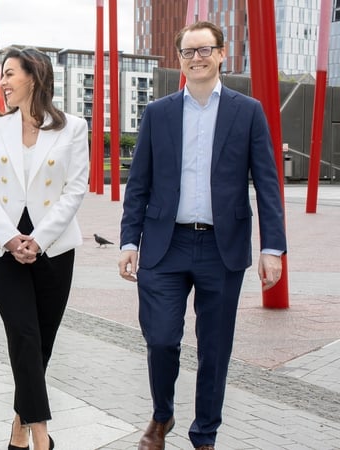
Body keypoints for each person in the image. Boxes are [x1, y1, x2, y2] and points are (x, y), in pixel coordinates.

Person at [118, 21, 287, 450]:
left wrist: (272, 248)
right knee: (160, 339)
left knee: (214, 348)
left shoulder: (247, 111)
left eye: (205, 49)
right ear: (179, 60)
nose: (197, 57)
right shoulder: (158, 113)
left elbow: (267, 183)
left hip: (221, 247)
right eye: (189, 51)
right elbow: (138, 183)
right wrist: (128, 241)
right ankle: (162, 414)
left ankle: (205, 434)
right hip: (164, 245)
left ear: (222, 53)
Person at [0, 47, 89, 450]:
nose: (2, 82)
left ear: (34, 78)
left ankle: (18, 426)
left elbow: (76, 188)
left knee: (41, 341)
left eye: (9, 74)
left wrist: (39, 240)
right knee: (22, 332)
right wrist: (10, 238)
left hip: (53, 246)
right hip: (2, 245)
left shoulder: (73, 127)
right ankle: (41, 436)